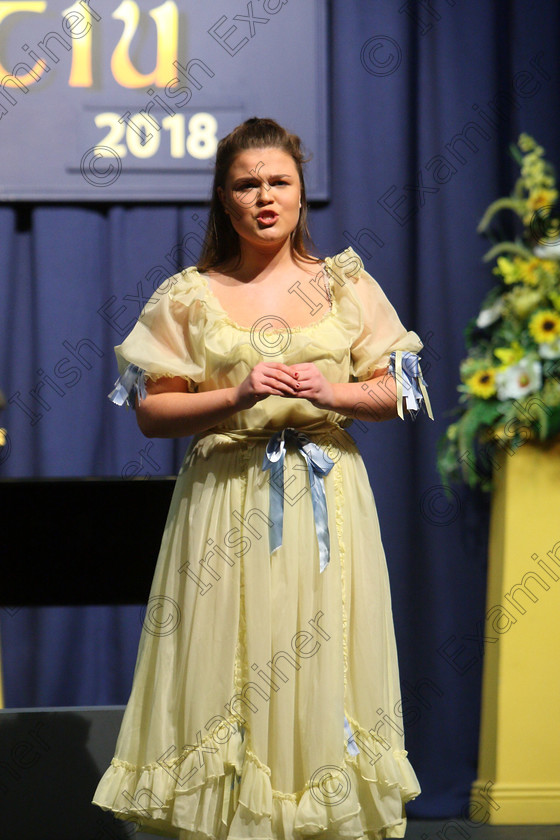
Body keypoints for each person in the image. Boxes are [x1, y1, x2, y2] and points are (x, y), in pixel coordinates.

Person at [92, 117, 433, 840]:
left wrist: (330, 392)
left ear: (302, 193)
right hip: (224, 496)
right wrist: (239, 394)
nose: (265, 197)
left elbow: (402, 391)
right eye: (247, 184)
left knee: (323, 654)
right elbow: (152, 412)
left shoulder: (344, 283)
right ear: (224, 198)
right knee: (227, 666)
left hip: (325, 493)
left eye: (279, 181)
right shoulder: (187, 294)